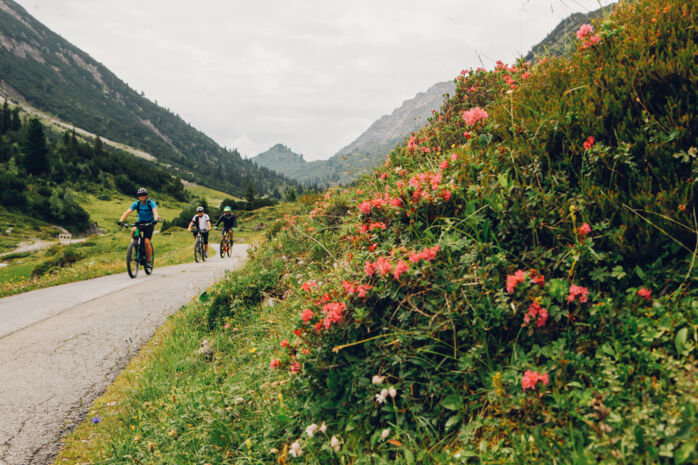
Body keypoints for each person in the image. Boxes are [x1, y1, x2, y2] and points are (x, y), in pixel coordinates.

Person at [118, 187, 159, 263]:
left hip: (149, 223)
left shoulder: (151, 203)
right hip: (140, 222)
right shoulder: (136, 204)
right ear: (138, 196)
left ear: (146, 196)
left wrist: (155, 220)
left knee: (146, 241)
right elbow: (127, 213)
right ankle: (135, 245)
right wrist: (121, 221)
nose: (142, 196)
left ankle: (149, 259)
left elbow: (155, 212)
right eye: (140, 195)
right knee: (133, 230)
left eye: (143, 195)